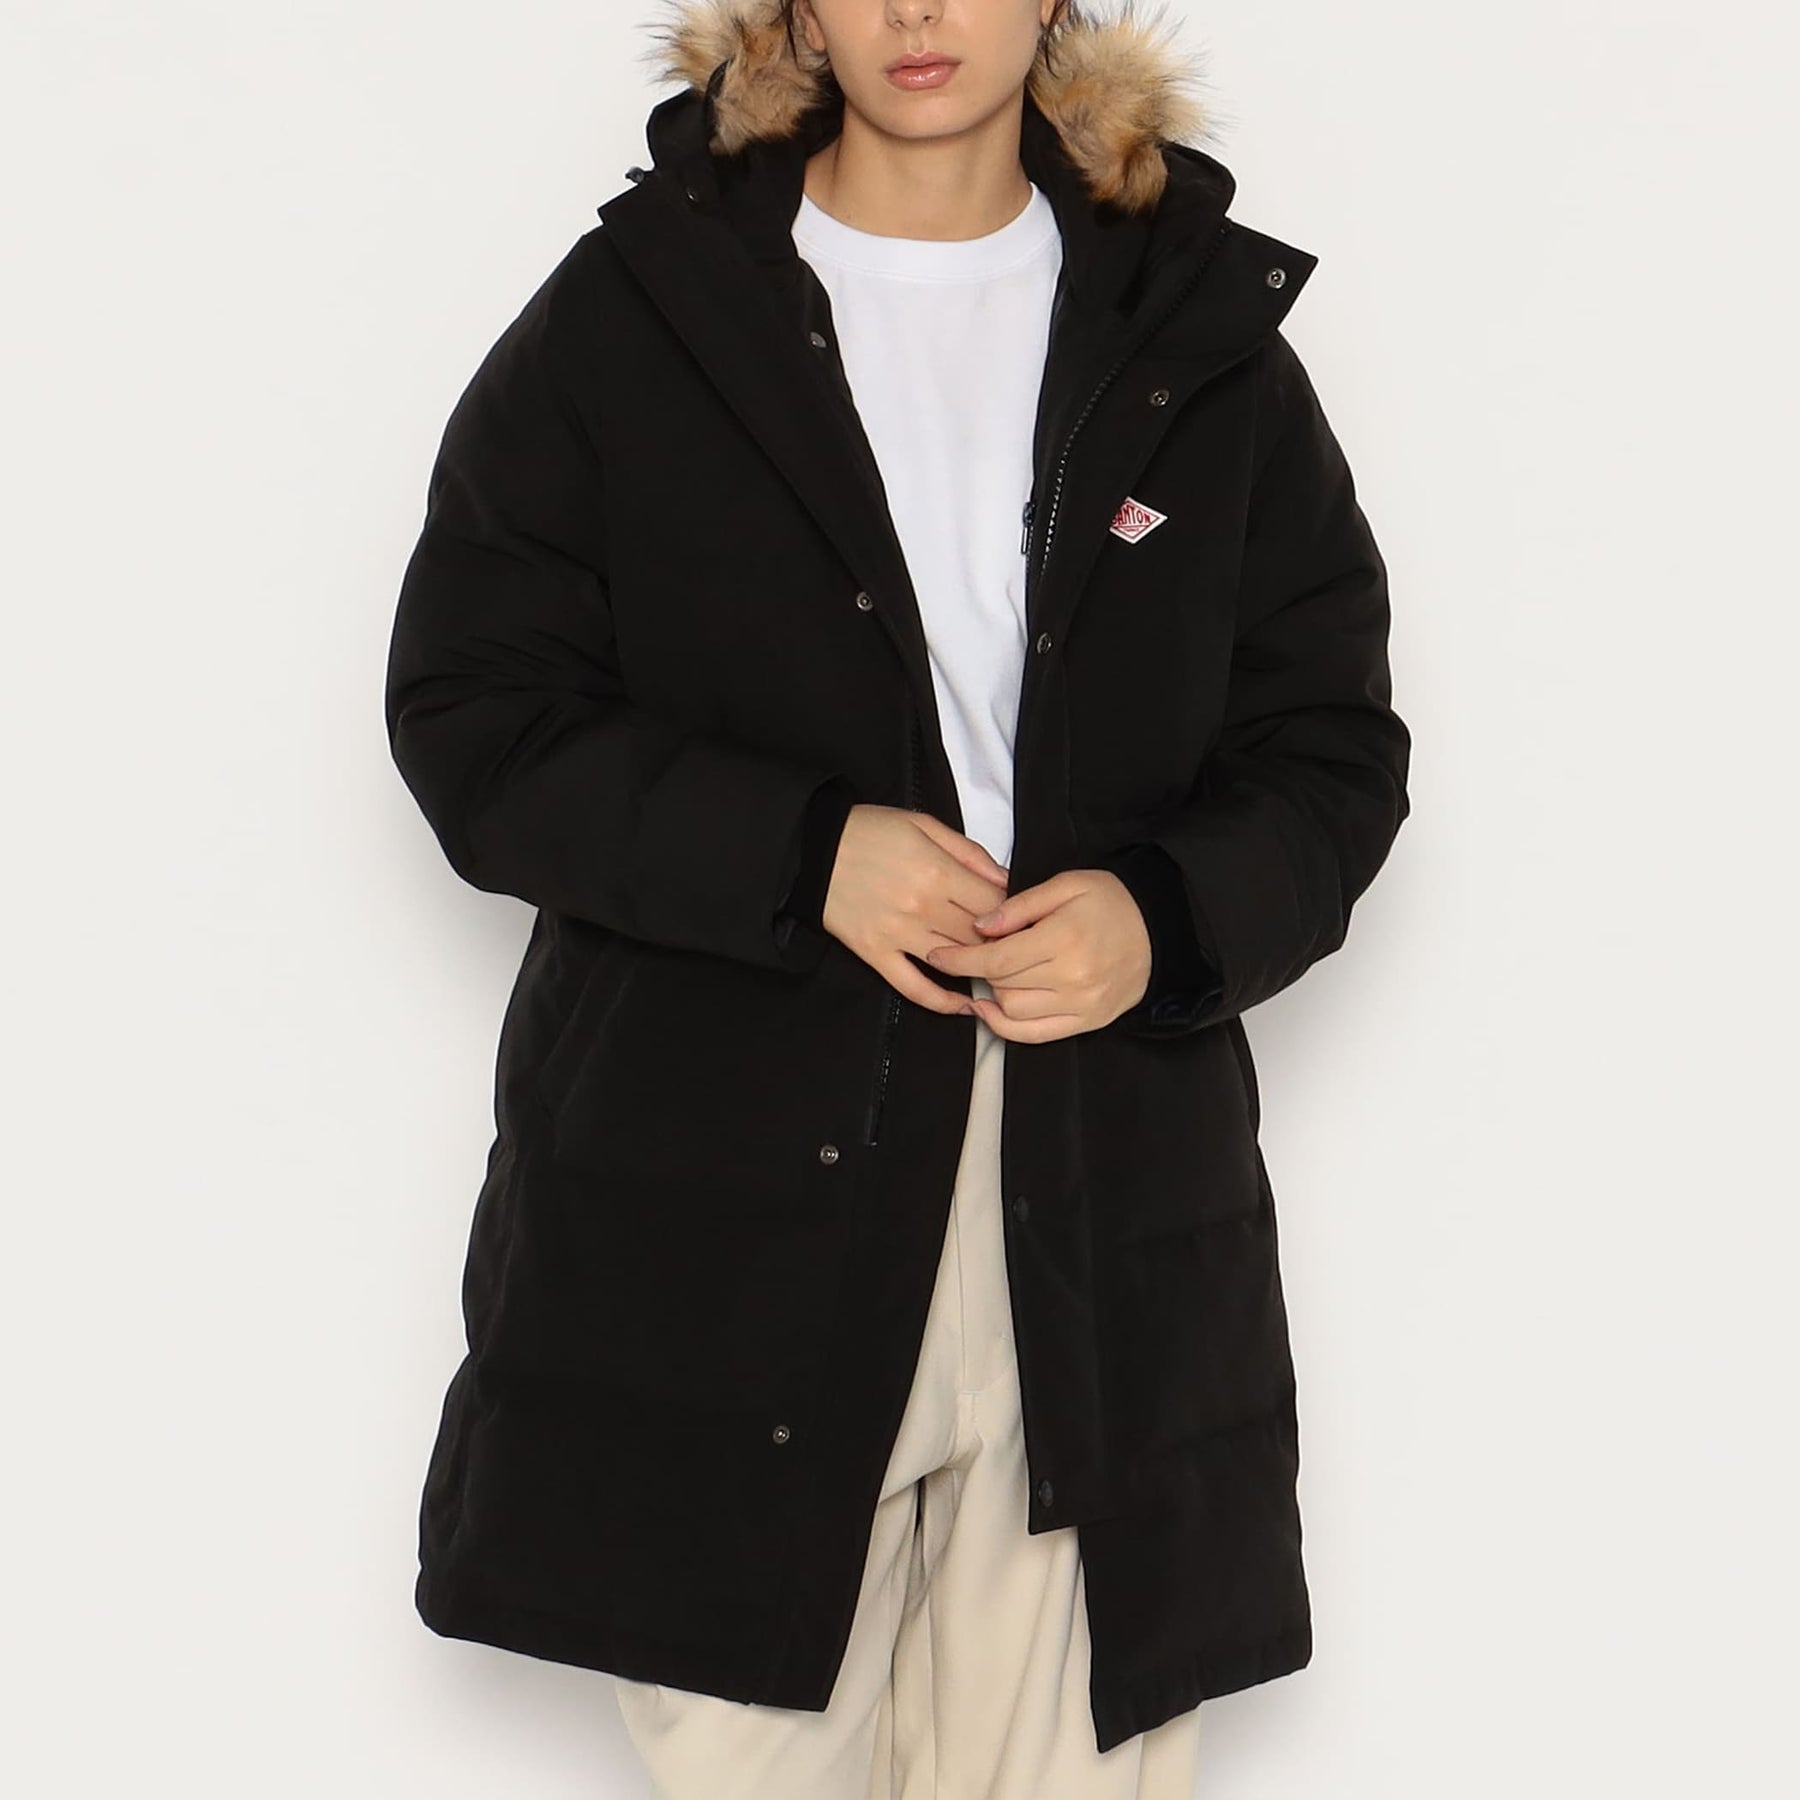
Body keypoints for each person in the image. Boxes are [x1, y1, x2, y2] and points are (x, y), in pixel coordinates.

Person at [383, 1, 1412, 1796]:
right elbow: (476, 715)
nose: (917, 12)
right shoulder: (643, 313)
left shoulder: (1193, 330)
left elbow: (1329, 746)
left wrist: (1161, 920)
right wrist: (801, 854)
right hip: (730, 1174)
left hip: (1096, 1181)